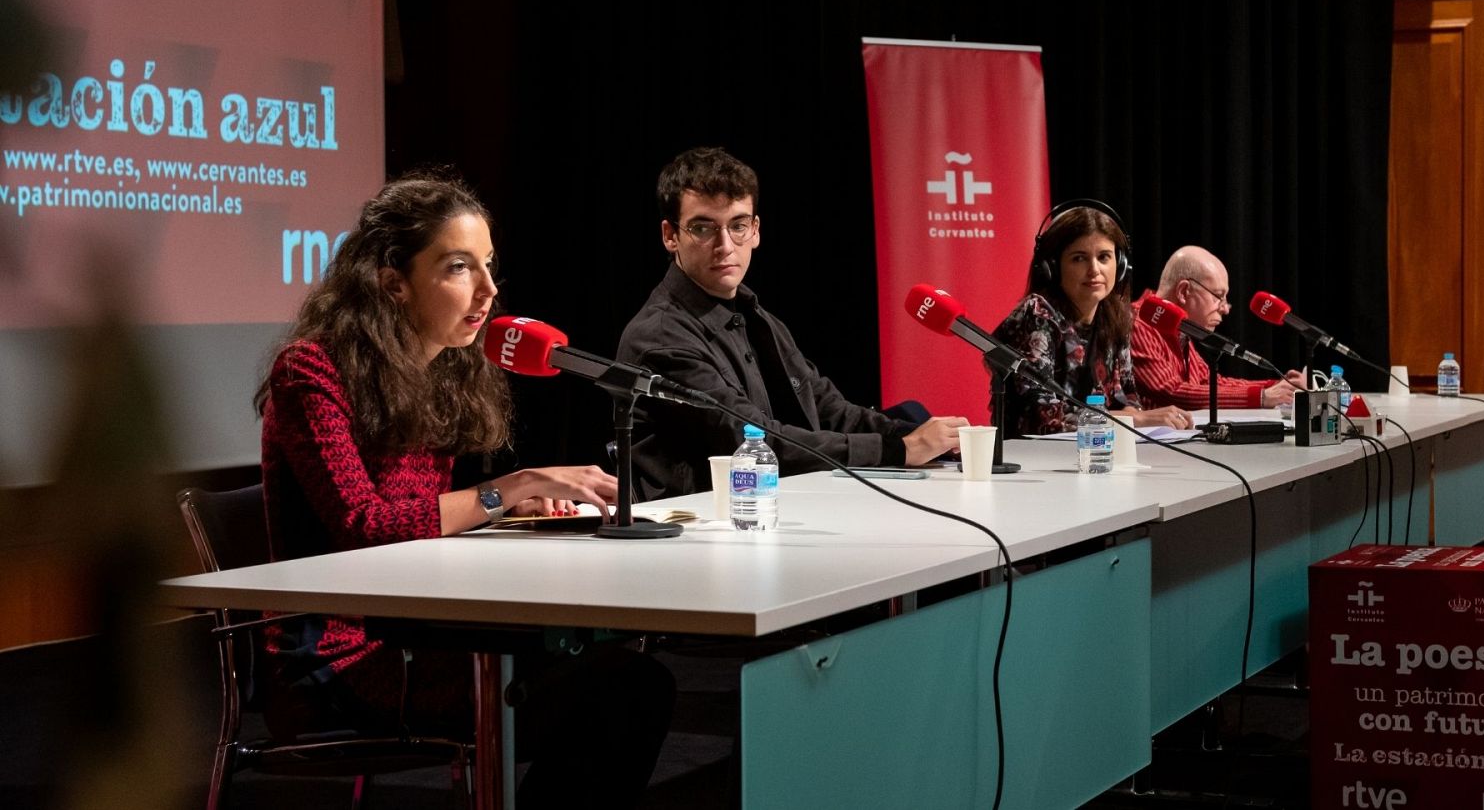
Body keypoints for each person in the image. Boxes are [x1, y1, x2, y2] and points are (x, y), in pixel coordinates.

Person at [255, 173, 673, 807]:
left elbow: (416, 525)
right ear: (392, 281)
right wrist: (510, 488)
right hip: (339, 662)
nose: (489, 290)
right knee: (626, 687)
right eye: (459, 268)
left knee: (624, 667)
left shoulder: (439, 374)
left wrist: (512, 508)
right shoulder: (310, 372)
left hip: (418, 634)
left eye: (488, 266)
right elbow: (366, 528)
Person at [617, 147, 967, 500]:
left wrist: (921, 435)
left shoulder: (756, 315)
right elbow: (755, 441)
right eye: (703, 228)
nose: (724, 245)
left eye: (737, 225)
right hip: (699, 530)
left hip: (770, 513)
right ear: (670, 235)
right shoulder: (660, 337)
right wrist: (901, 449)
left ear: (755, 231)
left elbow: (829, 408)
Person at [992, 199, 1192, 437]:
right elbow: (1041, 417)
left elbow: (1127, 398)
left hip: (1097, 452)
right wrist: (1133, 419)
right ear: (1053, 267)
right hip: (1035, 460)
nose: (1094, 269)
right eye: (1079, 258)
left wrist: (1135, 415)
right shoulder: (1037, 314)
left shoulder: (1117, 315)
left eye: (1104, 257)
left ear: (1120, 265)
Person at [1129, 246, 1305, 410]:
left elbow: (1209, 382)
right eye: (1218, 296)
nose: (1226, 308)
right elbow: (1172, 391)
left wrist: (1276, 386)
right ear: (1184, 291)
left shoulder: (1179, 328)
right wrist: (1262, 396)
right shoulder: (1138, 323)